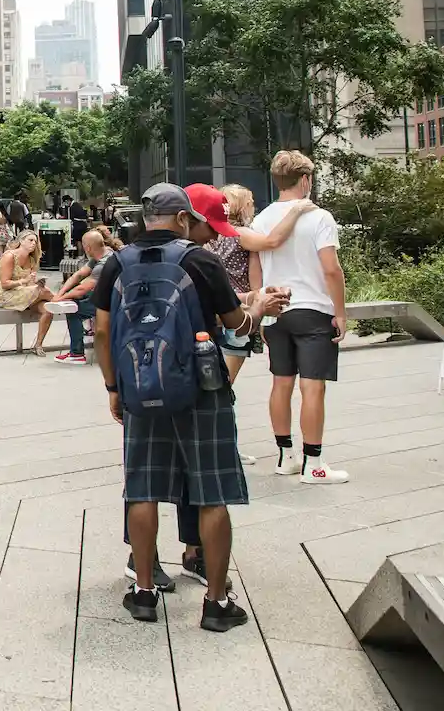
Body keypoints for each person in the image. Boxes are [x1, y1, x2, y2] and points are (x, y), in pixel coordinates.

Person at [95, 183, 285, 631]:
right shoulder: (201, 260)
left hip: (140, 387)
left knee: (141, 487)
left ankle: (143, 592)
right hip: (201, 387)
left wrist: (114, 387)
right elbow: (236, 323)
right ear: (182, 219)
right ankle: (217, 604)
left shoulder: (115, 264)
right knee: (212, 493)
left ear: (145, 220)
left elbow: (102, 332)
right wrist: (257, 306)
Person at [251, 151, 350, 485]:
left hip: (275, 310)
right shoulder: (319, 217)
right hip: (313, 310)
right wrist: (340, 312)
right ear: (305, 179)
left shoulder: (262, 219)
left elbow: (256, 267)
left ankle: (286, 457)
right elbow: (331, 269)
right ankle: (315, 465)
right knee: (313, 387)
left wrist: (261, 305)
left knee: (281, 382)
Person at [197, 183, 312, 386]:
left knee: (209, 376)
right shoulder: (240, 234)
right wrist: (296, 210)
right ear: (242, 207)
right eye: (250, 203)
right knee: (223, 383)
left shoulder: (207, 238)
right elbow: (271, 242)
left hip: (214, 312)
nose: (253, 207)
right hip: (239, 312)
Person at [43, 227, 116, 364]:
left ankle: (77, 354)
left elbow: (83, 288)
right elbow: (78, 275)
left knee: (74, 311)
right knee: (74, 298)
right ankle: (77, 348)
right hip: (106, 295)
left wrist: (60, 298)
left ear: (87, 248)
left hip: (113, 303)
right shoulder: (104, 253)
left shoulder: (104, 263)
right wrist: (61, 294)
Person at [0, 229, 58, 353]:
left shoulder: (31, 259)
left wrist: (36, 282)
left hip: (24, 293)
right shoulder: (9, 256)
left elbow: (29, 282)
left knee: (47, 310)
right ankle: (61, 300)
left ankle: (38, 345)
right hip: (8, 295)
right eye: (30, 240)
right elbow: (5, 284)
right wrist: (25, 282)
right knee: (44, 292)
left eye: (35, 241)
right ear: (21, 241)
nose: (34, 243)